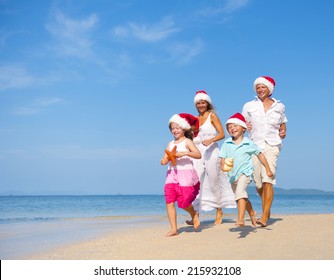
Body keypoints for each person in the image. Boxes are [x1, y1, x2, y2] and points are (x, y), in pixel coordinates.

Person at [242, 76, 287, 227]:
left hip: (272, 145)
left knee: (269, 179)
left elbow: (282, 123)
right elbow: (242, 124)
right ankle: (266, 210)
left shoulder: (279, 106)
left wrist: (283, 131)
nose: (260, 89)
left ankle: (265, 216)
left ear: (270, 89)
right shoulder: (248, 105)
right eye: (258, 87)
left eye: (263, 87)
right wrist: (244, 128)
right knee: (259, 183)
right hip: (254, 146)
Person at [189, 90, 236, 225]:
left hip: (211, 151)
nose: (201, 105)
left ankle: (219, 210)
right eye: (198, 103)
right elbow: (191, 137)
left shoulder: (212, 116)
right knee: (196, 183)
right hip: (198, 152)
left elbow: (222, 134)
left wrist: (211, 140)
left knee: (214, 181)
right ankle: (196, 215)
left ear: (207, 103)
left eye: (203, 103)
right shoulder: (194, 119)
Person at [219, 113, 273, 227]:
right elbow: (222, 159)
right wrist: (223, 166)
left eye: (235, 126)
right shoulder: (226, 143)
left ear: (243, 128)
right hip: (232, 176)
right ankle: (252, 212)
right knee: (240, 197)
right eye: (229, 127)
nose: (232, 128)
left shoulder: (249, 143)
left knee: (240, 193)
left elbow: (260, 155)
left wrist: (267, 169)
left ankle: (240, 219)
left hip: (245, 173)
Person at [160, 113, 202, 237]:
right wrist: (163, 161)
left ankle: (194, 214)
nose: (175, 130)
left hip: (186, 173)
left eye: (177, 128)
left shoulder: (187, 142)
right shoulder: (170, 144)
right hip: (172, 174)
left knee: (184, 202)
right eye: (173, 128)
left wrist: (185, 153)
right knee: (169, 200)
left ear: (183, 129)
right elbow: (165, 157)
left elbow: (198, 154)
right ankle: (174, 229)